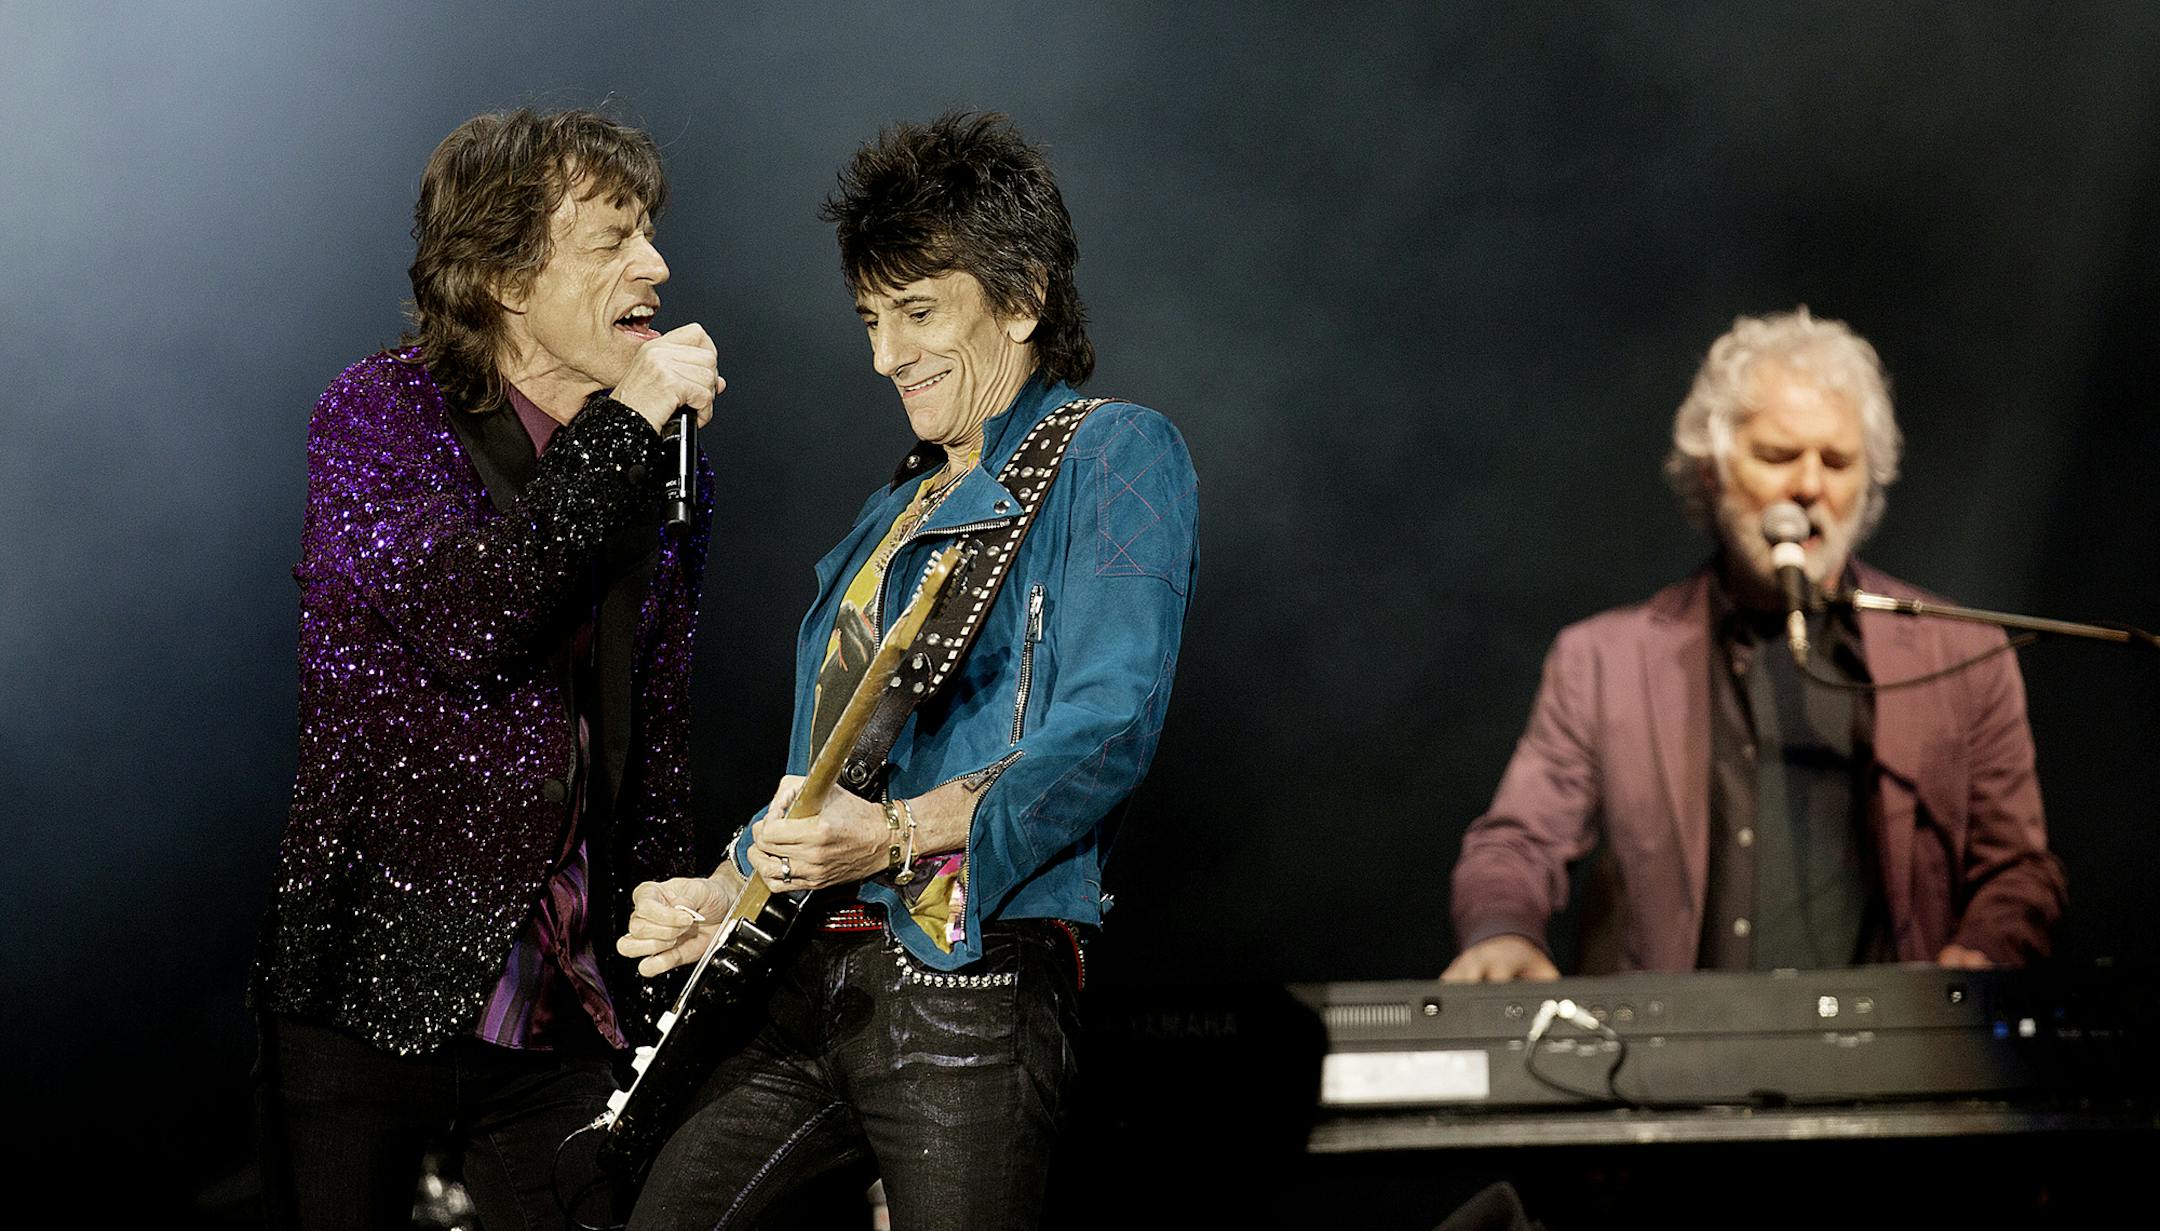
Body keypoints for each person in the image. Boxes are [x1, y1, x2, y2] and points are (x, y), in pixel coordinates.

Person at [616, 111, 1198, 1229]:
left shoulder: (1114, 451)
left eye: (919, 312)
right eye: (872, 319)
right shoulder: (895, 507)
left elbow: (1109, 725)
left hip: (966, 979)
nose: (885, 355)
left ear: (1023, 297)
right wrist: (726, 891)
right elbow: (828, 774)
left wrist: (890, 839)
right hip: (803, 976)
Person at [251, 107, 723, 1228]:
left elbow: (648, 723)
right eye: (612, 239)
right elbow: (472, 612)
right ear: (506, 276)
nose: (655, 265)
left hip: (561, 998)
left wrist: (667, 942)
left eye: (649, 233)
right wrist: (634, 422)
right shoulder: (376, 412)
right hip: (368, 986)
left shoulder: (663, 459)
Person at [1445, 308, 2065, 982]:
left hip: (1891, 1065)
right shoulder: (1602, 659)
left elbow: (2020, 869)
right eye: (1777, 455)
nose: (1808, 486)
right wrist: (1501, 930)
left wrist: (1986, 950)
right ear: (1711, 471)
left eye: (1836, 460)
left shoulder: (1960, 649)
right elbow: (1517, 841)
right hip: (1666, 1070)